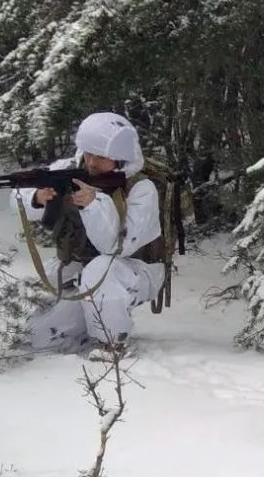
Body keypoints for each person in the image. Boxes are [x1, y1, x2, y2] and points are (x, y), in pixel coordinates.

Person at [14, 112, 164, 360]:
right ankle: (81, 327)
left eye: (101, 157)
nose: (92, 162)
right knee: (39, 338)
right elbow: (20, 195)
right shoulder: (68, 171)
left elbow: (115, 247)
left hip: (135, 270)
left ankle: (112, 343)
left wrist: (94, 204)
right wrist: (37, 199)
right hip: (80, 269)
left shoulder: (141, 189)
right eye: (89, 153)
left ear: (119, 157)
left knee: (100, 268)